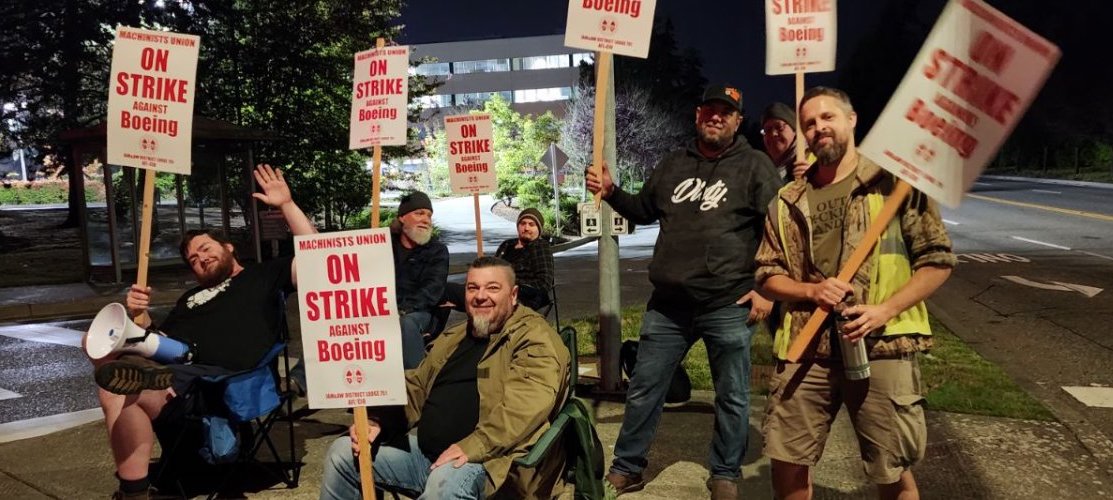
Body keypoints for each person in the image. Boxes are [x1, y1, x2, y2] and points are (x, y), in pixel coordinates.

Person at [754, 86, 956, 500]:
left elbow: (936, 262)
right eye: (809, 122)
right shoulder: (786, 199)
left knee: (891, 469)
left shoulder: (894, 184)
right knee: (787, 461)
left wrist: (884, 311)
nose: (818, 127)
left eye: (828, 117)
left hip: (882, 345)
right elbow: (767, 274)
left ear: (852, 119)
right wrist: (810, 290)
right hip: (804, 348)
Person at [586, 84, 782, 499]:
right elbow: (643, 209)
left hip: (728, 303)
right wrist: (612, 191)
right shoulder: (674, 164)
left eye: (725, 112)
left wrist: (767, 290)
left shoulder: (756, 167)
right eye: (710, 109)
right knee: (643, 388)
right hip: (668, 307)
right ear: (697, 115)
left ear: (736, 121)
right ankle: (628, 467)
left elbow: (779, 233)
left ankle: (725, 472)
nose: (716, 117)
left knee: (732, 395)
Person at [92, 164, 315, 500]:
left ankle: (134, 483)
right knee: (113, 376)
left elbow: (319, 258)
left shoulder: (264, 275)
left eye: (207, 249)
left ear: (229, 248)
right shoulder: (190, 299)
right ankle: (135, 491)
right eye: (193, 259)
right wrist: (138, 317)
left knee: (126, 384)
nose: (201, 259)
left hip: (231, 379)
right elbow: (164, 341)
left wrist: (286, 205)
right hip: (183, 373)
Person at [321, 256, 571, 499]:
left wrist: (473, 446)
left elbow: (524, 409)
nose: (481, 296)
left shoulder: (534, 339)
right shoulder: (456, 336)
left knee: (444, 484)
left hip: (491, 462)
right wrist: (378, 420)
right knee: (342, 453)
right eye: (473, 288)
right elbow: (416, 386)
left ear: (513, 295)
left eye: (493, 288)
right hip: (425, 456)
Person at [443, 207, 554, 312]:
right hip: (487, 289)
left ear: (538, 229)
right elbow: (491, 269)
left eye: (531, 224)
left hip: (517, 297)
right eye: (522, 223)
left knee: (445, 293)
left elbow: (544, 284)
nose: (526, 228)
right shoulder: (507, 245)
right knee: (440, 292)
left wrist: (507, 285)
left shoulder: (540, 247)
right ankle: (429, 331)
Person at [390, 191, 449, 368]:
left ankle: (415, 381)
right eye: (419, 213)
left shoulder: (437, 251)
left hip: (420, 312)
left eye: (429, 215)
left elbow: (432, 290)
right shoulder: (382, 245)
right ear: (402, 217)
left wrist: (402, 309)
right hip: (381, 309)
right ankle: (304, 378)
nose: (426, 219)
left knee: (407, 323)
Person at [761, 101, 809, 182]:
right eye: (767, 130)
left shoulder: (810, 162)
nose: (773, 134)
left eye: (779, 127)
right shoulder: (762, 169)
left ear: (794, 130)